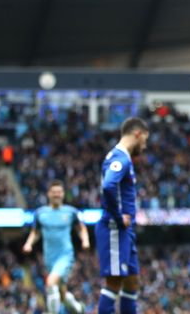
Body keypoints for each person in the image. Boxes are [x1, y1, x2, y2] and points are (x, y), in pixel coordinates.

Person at [95, 117, 149, 314]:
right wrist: (119, 217)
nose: (144, 146)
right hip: (115, 228)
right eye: (145, 140)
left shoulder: (122, 157)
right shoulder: (120, 158)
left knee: (132, 281)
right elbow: (108, 185)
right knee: (114, 282)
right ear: (137, 134)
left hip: (125, 231)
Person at [23, 180, 89, 314]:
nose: (56, 195)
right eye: (54, 192)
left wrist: (85, 240)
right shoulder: (40, 213)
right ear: (49, 194)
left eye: (59, 192)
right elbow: (35, 232)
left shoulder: (71, 212)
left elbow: (81, 228)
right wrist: (29, 243)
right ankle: (78, 309)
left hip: (65, 255)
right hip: (49, 258)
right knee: (61, 292)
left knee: (51, 282)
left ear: (63, 194)